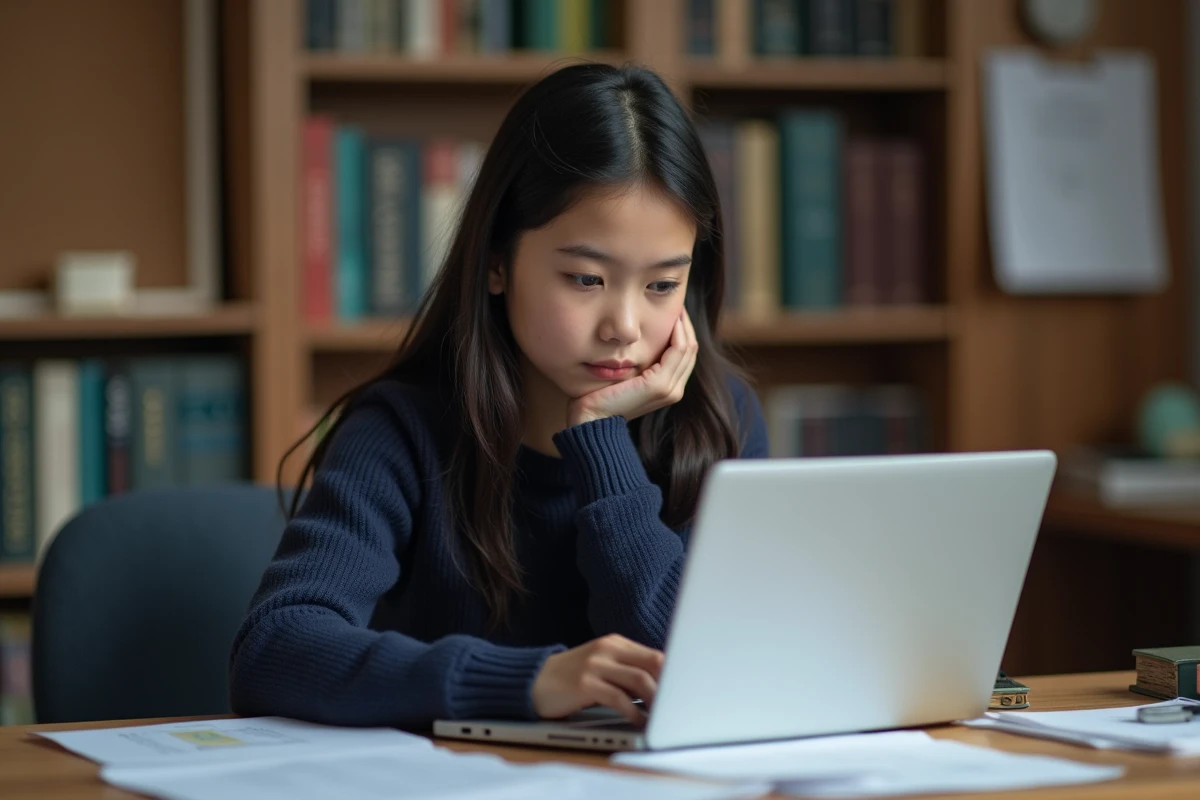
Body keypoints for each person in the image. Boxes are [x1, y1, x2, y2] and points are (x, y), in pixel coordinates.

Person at [229, 62, 769, 730]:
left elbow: (693, 668)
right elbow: (276, 648)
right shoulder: (401, 430)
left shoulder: (720, 421)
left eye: (662, 286)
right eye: (585, 279)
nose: (625, 327)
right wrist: (527, 682)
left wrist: (599, 440)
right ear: (496, 262)